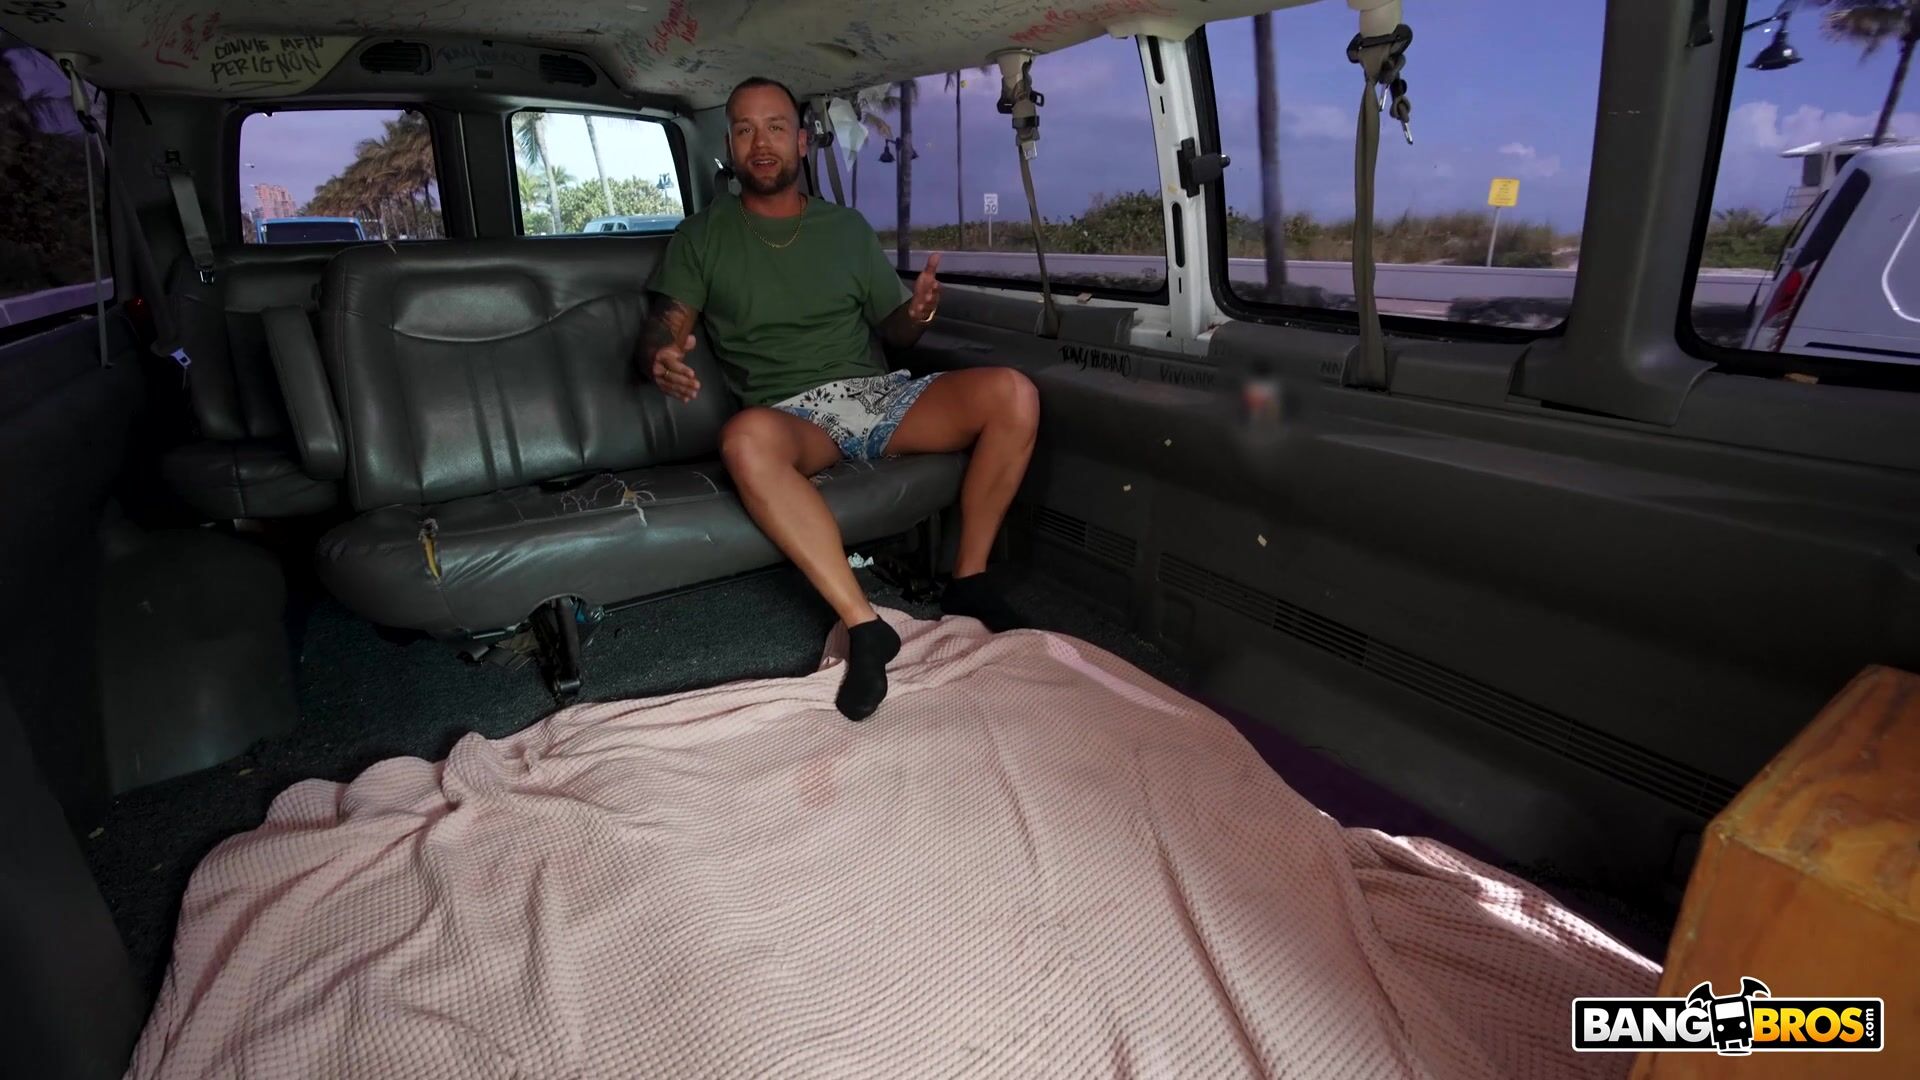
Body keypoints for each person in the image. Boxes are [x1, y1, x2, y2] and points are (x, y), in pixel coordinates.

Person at [642, 76, 1041, 722]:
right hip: (795, 415)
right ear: (730, 146)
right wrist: (661, 355)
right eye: (744, 130)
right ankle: (865, 625)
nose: (761, 143)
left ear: (801, 142)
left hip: (876, 396)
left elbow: (896, 332)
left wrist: (918, 312)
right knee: (743, 439)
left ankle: (968, 581)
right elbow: (667, 324)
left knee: (1014, 394)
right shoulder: (702, 236)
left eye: (775, 127)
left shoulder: (845, 228)